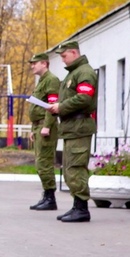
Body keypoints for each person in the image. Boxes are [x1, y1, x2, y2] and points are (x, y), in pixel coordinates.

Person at [48, 40, 97, 223]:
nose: (62, 60)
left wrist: (61, 107)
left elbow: (84, 98)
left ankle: (82, 208)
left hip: (79, 127)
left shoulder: (85, 72)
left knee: (76, 167)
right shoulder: (74, 73)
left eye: (64, 56)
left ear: (74, 53)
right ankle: (77, 206)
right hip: (71, 128)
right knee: (69, 169)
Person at [27, 52, 60, 211]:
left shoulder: (51, 80)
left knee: (45, 163)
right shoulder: (42, 81)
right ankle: (46, 195)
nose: (32, 66)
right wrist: (34, 129)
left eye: (35, 63)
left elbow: (52, 106)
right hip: (39, 126)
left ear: (44, 63)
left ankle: (50, 197)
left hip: (46, 127)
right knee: (40, 163)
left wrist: (47, 126)